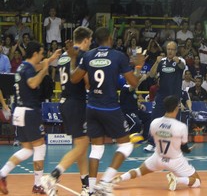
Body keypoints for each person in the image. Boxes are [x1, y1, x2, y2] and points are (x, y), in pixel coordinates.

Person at [53, 27, 144, 196]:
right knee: (125, 145)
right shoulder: (118, 56)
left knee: (96, 149)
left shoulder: (88, 55)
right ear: (110, 38)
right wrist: (139, 65)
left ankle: (91, 190)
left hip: (91, 107)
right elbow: (134, 83)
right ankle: (105, 182)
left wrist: (73, 59)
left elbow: (74, 78)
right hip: (109, 107)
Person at [0, 41, 61, 195]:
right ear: (35, 54)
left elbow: (37, 67)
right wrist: (46, 68)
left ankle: (2, 174)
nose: (42, 57)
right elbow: (33, 83)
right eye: (41, 54)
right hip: (29, 112)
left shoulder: (23, 66)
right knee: (40, 147)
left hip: (19, 111)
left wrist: (50, 58)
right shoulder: (28, 69)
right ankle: (38, 185)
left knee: (27, 149)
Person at [41, 27, 93, 196]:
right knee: (84, 144)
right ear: (85, 40)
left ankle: (86, 187)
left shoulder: (65, 56)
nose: (91, 43)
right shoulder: (81, 55)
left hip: (65, 102)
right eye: (90, 40)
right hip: (76, 103)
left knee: (81, 146)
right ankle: (53, 175)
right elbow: (87, 83)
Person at [112, 95, 201, 191]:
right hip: (175, 160)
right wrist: (188, 150)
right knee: (197, 181)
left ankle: (120, 178)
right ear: (176, 108)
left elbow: (155, 137)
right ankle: (177, 180)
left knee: (139, 171)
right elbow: (184, 147)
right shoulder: (181, 126)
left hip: (158, 158)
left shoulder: (154, 122)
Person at [144, 41, 186, 152]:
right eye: (168, 49)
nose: (170, 51)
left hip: (174, 96)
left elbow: (183, 66)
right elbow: (152, 75)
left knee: (174, 122)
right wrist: (156, 63)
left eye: (172, 49)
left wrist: (178, 62)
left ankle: (174, 144)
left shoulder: (180, 61)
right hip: (161, 95)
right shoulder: (161, 62)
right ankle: (152, 143)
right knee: (155, 119)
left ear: (176, 51)